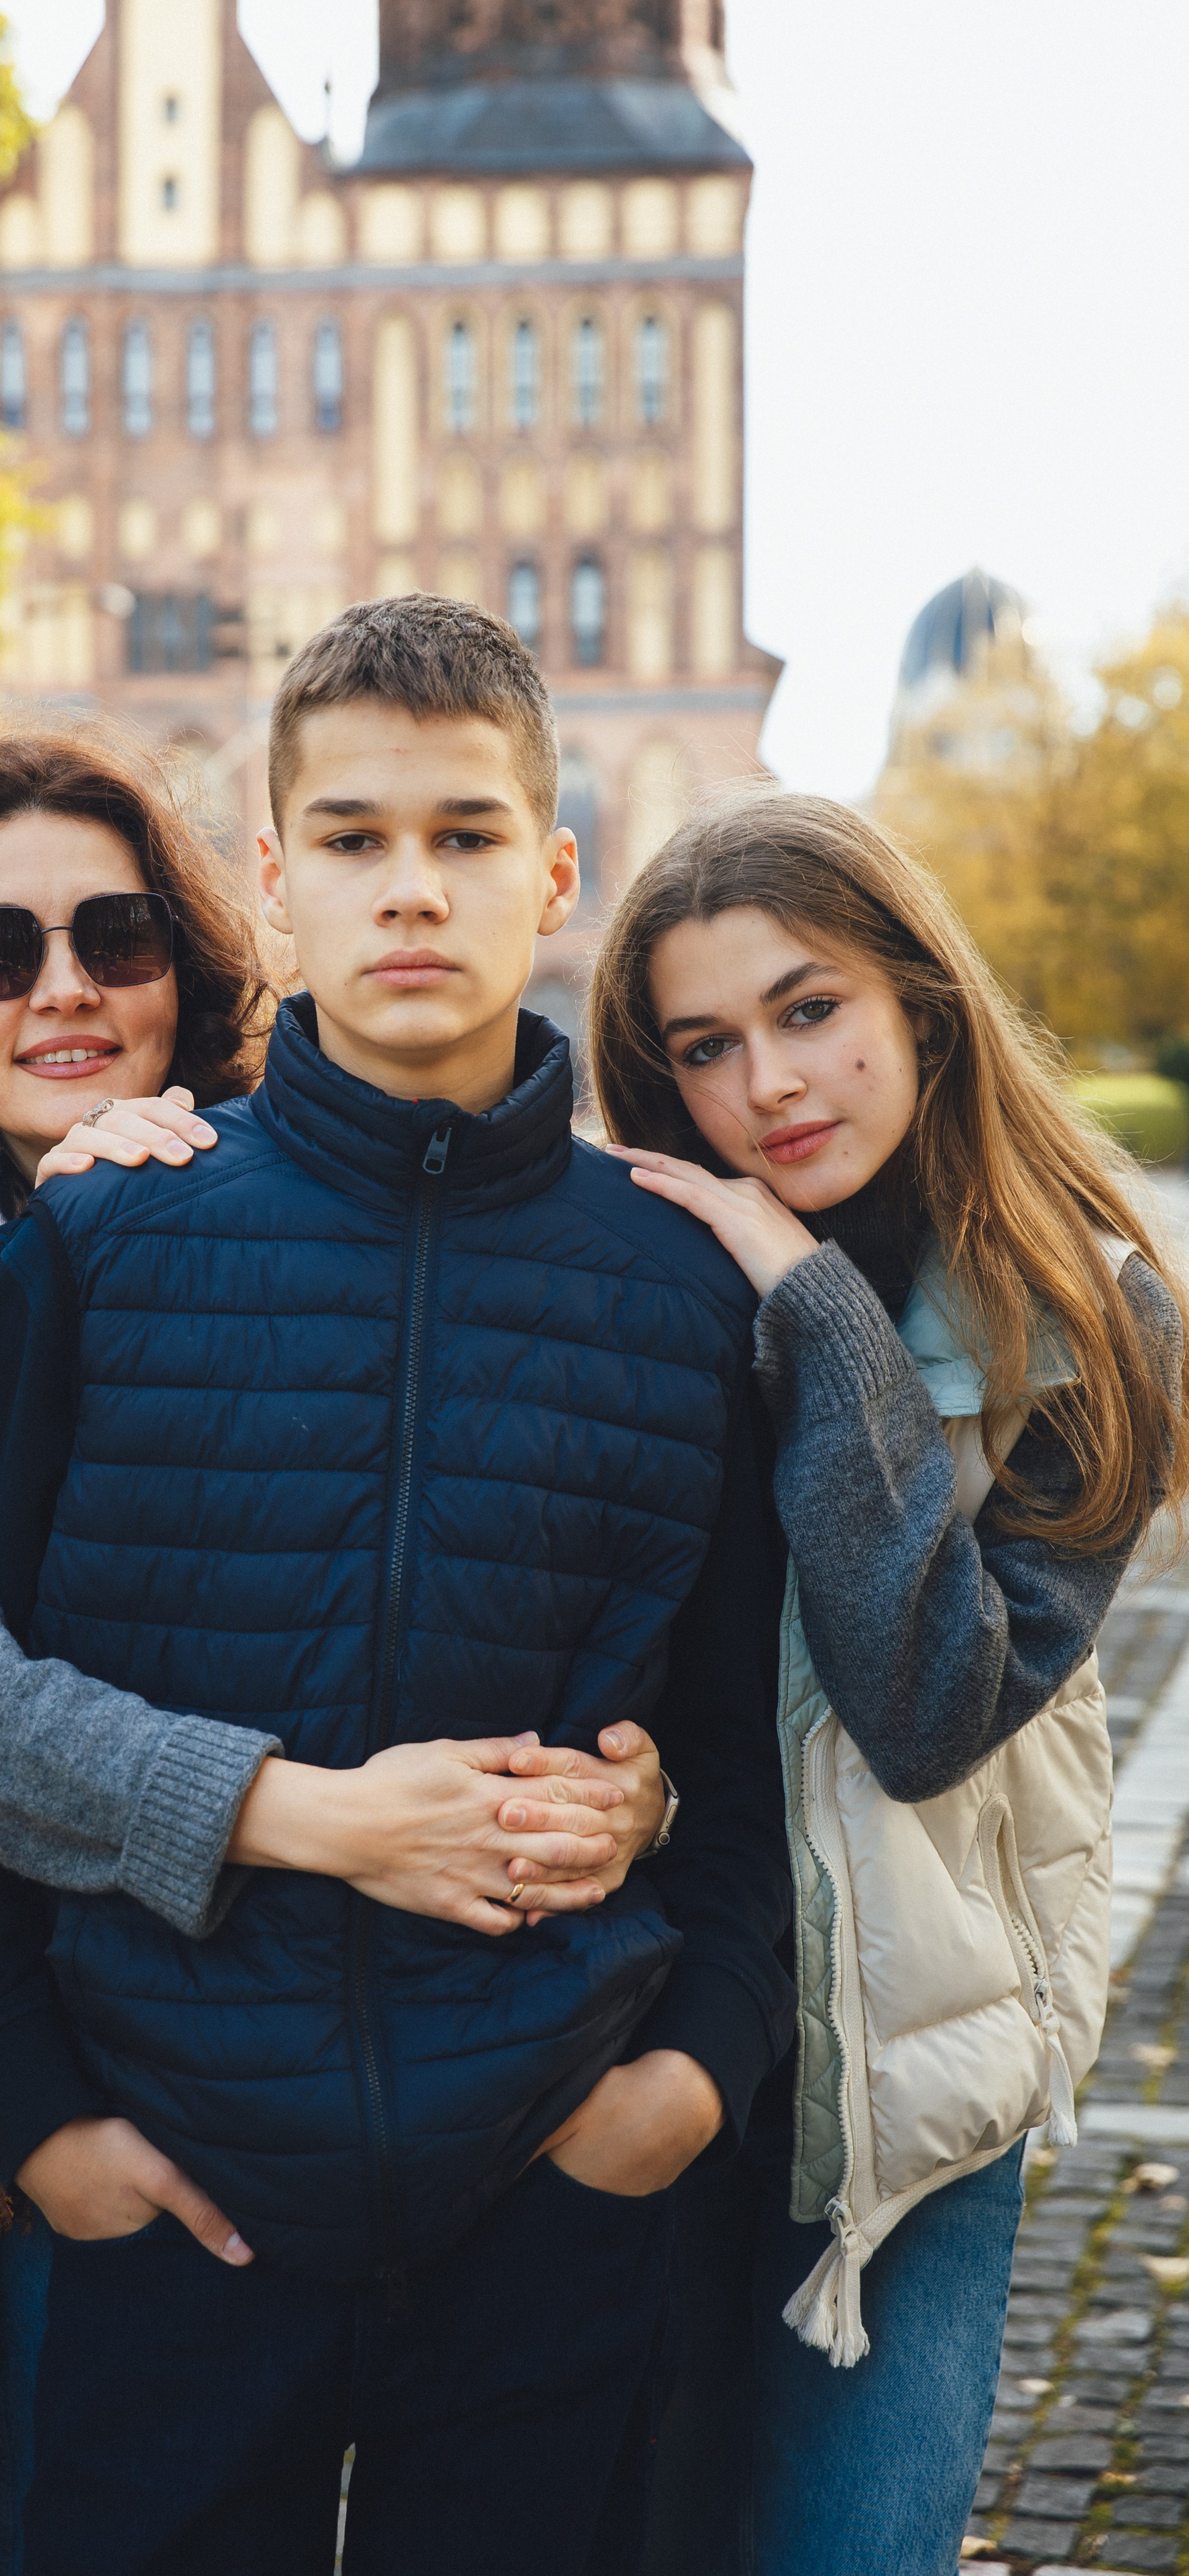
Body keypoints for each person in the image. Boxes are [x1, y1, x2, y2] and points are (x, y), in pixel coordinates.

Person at [0, 725, 650, 2576]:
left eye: (116, 938)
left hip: (133, 2059)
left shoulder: (218, 1217)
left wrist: (620, 1789)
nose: (60, 988)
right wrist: (325, 1820)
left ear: (191, 967)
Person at [0, 596, 797, 2576]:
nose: (413, 892)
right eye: (357, 842)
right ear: (275, 882)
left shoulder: (679, 1284)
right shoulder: (110, 1241)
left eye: (467, 839)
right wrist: (39, 2119)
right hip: (178, 2205)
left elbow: (742, 1755)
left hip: (549, 2205)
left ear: (556, 875)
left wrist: (692, 2076)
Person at [590, 790, 1188, 2576]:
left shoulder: (1087, 1324)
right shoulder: (643, 1286)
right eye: (708, 1044)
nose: (771, 1082)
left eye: (811, 1009)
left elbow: (930, 1705)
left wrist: (822, 1320)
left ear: (918, 1006)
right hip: (649, 2049)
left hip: (905, 2106)